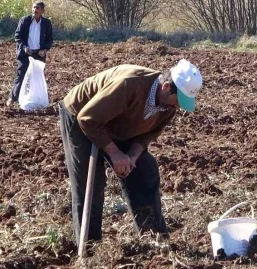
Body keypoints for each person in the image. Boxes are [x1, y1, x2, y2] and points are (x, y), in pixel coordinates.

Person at [58, 59, 203, 243]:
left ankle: (154, 239)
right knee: (91, 183)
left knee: (144, 171)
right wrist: (115, 153)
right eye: (179, 100)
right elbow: (88, 119)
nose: (178, 107)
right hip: (83, 116)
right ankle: (90, 247)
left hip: (123, 122)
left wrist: (132, 157)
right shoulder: (129, 84)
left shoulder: (168, 107)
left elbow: (147, 135)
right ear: (166, 87)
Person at [8, 0, 53, 107]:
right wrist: (24, 47)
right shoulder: (25, 20)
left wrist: (45, 49)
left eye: (37, 8)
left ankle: (34, 99)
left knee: (37, 76)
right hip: (26, 53)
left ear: (42, 11)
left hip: (39, 54)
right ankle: (12, 98)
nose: (35, 10)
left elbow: (49, 39)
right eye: (33, 8)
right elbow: (18, 36)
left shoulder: (46, 23)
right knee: (21, 74)